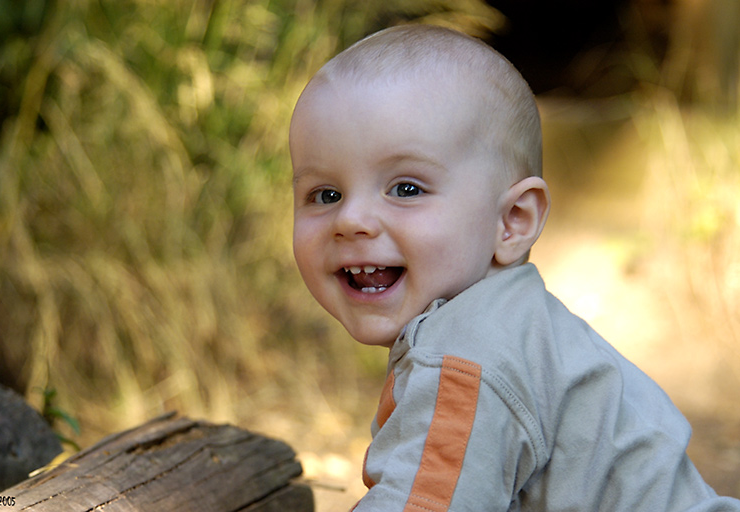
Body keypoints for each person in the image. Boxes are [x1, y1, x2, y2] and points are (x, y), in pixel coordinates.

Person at [289, 23, 740, 511]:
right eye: (325, 195)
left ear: (512, 220)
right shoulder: (512, 323)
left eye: (406, 189)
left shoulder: (467, 359)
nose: (350, 220)